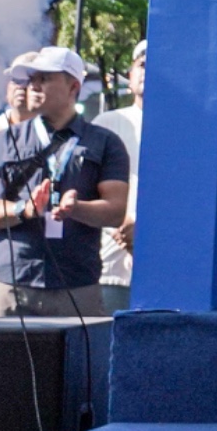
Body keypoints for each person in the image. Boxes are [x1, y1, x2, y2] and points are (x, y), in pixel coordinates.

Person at [0, 46, 130, 318]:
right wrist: (23, 209)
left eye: (45, 78)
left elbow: (116, 210)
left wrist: (77, 208)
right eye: (31, 78)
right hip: (12, 283)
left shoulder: (105, 143)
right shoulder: (2, 140)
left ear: (73, 87)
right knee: (0, 360)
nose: (33, 86)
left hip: (77, 285)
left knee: (80, 361)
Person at [94, 41, 146, 311]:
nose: (148, 72)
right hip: (110, 266)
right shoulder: (107, 124)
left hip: (169, 271)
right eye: (143, 65)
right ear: (130, 75)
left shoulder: (191, 128)